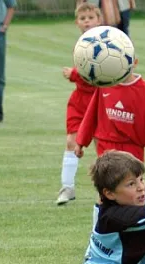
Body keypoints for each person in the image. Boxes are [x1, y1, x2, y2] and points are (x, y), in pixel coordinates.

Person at [74, 61, 145, 169]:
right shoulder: (105, 84)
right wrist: (80, 142)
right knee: (108, 181)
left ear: (135, 62)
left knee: (130, 182)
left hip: (133, 148)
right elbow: (91, 116)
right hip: (106, 146)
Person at [56, 3, 101, 206]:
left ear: (99, 20)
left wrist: (73, 74)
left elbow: (94, 75)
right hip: (79, 102)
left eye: (90, 18)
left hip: (99, 100)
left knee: (104, 146)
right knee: (71, 142)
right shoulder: (80, 44)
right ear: (77, 23)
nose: (87, 22)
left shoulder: (104, 43)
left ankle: (107, 189)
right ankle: (67, 187)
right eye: (83, 19)